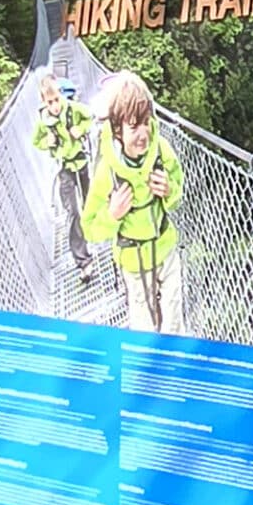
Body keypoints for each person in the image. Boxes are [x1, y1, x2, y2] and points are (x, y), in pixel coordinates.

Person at [81, 69, 186, 333]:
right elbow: (91, 229)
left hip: (166, 251)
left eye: (145, 123)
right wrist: (112, 214)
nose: (142, 134)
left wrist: (169, 190)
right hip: (134, 262)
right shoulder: (108, 171)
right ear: (117, 131)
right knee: (144, 327)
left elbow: (178, 195)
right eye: (132, 126)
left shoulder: (162, 151)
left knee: (174, 321)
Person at [31, 71, 94, 280]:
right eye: (50, 102)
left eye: (57, 99)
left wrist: (80, 128)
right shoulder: (44, 122)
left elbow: (89, 117)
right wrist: (47, 142)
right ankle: (83, 261)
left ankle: (100, 237)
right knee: (73, 212)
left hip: (81, 163)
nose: (55, 105)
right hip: (64, 169)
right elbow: (36, 141)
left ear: (61, 95)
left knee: (91, 204)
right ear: (44, 102)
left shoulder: (73, 109)